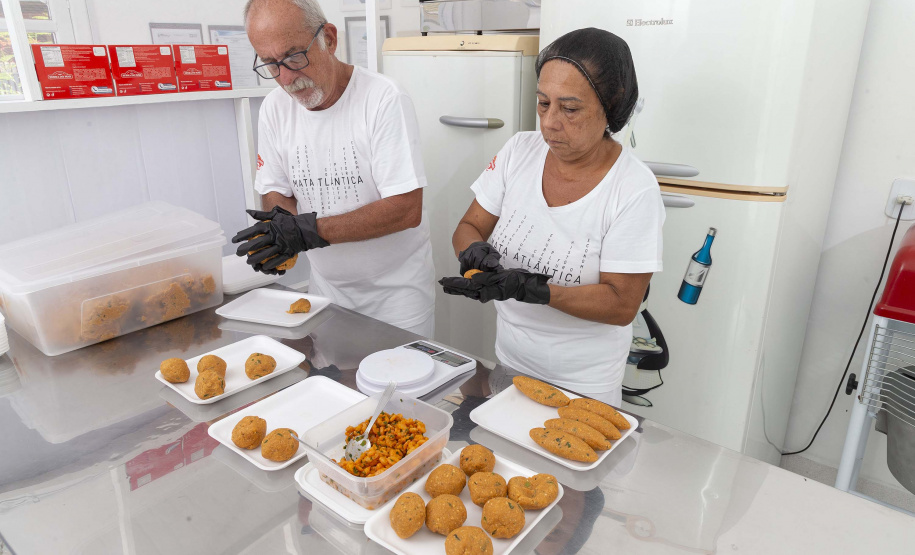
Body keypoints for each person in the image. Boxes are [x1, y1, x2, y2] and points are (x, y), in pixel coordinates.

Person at [440, 28, 665, 405]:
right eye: (543, 103)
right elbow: (470, 226)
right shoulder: (519, 151)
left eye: (570, 108)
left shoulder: (633, 188)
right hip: (510, 362)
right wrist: (474, 253)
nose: (549, 122)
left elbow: (622, 304)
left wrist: (533, 289)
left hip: (583, 387)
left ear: (611, 105)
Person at [233, 0, 435, 336]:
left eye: (295, 56)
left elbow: (405, 210)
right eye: (270, 64)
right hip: (326, 293)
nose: (286, 78)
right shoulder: (274, 109)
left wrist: (308, 231)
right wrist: (281, 232)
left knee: (397, 388)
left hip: (397, 299)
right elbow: (276, 190)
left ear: (329, 38)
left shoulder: (383, 99)